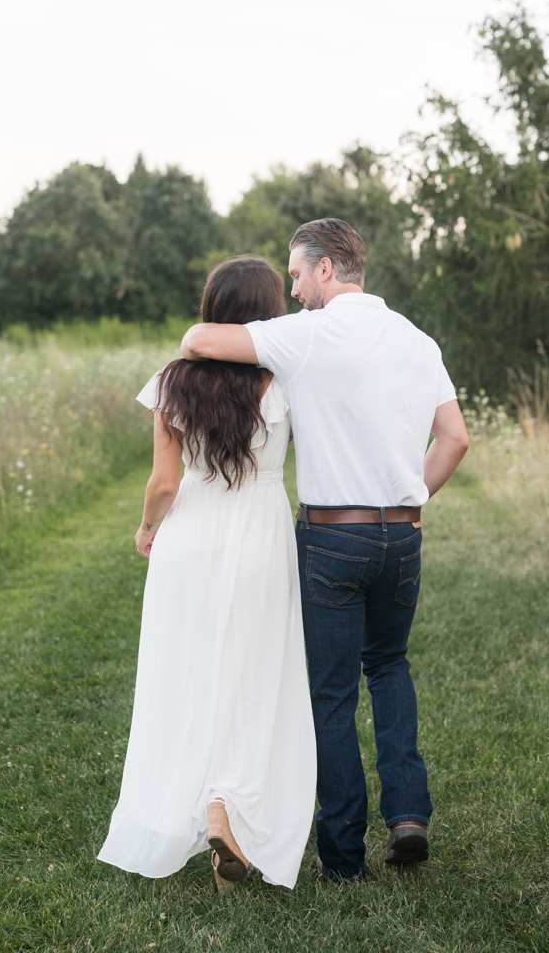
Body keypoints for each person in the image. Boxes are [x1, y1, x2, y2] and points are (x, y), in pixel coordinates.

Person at [181, 218, 470, 881]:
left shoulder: (308, 335)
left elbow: (199, 338)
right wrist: (406, 498)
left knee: (332, 693)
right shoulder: (417, 341)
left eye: (296, 273)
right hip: (402, 531)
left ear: (325, 271)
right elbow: (454, 439)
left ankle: (344, 858)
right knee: (391, 667)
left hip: (332, 536)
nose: (291, 287)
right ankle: (407, 816)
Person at [98, 256, 317, 891]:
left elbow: (166, 481)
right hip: (260, 534)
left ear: (211, 305)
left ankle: (198, 809)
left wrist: (146, 529)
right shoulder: (284, 381)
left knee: (186, 672)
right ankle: (231, 809)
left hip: (190, 535)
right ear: (271, 310)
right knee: (254, 674)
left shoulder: (172, 380)